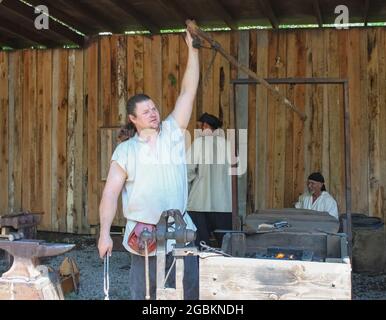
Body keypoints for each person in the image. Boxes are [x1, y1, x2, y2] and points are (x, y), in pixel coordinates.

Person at [97, 30, 200, 300]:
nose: (153, 113)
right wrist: (104, 234)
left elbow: (188, 91)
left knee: (188, 292)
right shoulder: (125, 151)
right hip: (144, 237)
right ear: (134, 119)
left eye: (154, 108)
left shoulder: (172, 132)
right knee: (146, 296)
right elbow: (110, 194)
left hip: (179, 230)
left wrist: (193, 50)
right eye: (146, 111)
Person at [186, 113, 232, 248]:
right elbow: (238, 175)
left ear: (206, 126)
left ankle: (200, 268)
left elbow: (188, 170)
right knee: (226, 244)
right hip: (224, 205)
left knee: (200, 245)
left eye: (201, 126)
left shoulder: (199, 144)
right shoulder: (228, 146)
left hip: (199, 204)